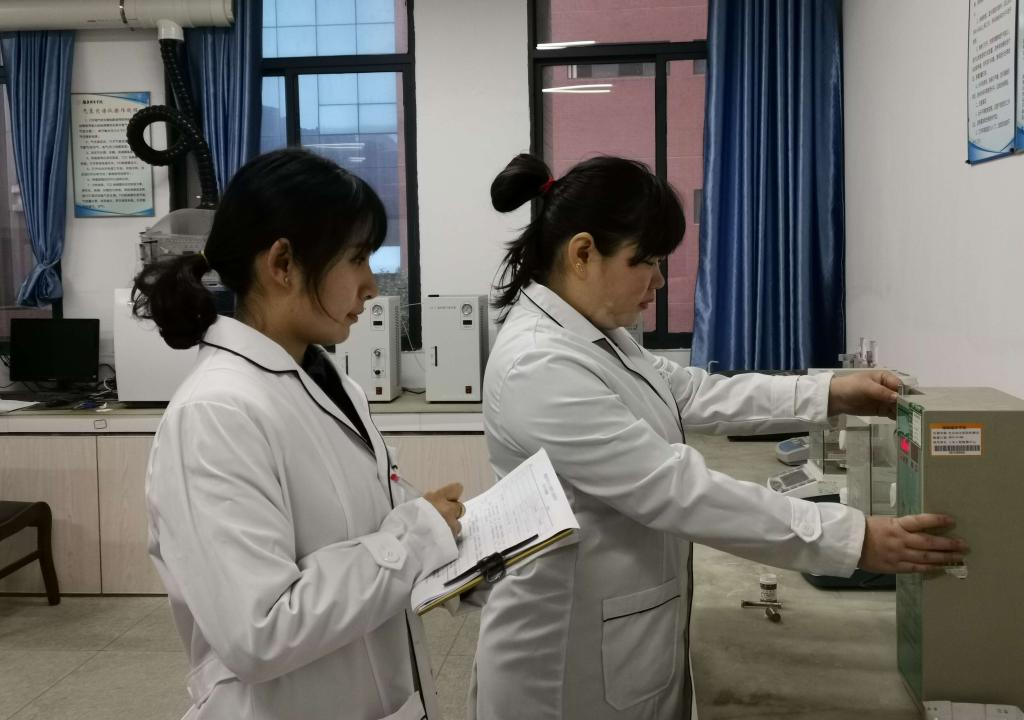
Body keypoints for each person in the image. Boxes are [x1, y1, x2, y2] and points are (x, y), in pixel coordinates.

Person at [469, 153, 967, 720]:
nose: (659, 281)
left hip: (619, 634)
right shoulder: (538, 365)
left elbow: (694, 392)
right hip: (563, 665)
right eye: (645, 261)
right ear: (582, 253)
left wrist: (830, 393)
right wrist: (853, 540)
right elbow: (677, 491)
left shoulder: (596, 335)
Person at [134, 148, 465, 720]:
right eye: (357, 258)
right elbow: (260, 630)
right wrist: (417, 541)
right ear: (282, 263)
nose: (371, 285)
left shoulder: (328, 381)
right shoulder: (215, 414)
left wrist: (455, 547)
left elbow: (372, 521)